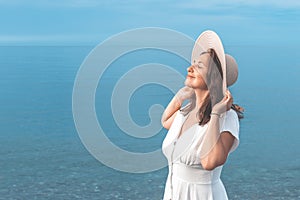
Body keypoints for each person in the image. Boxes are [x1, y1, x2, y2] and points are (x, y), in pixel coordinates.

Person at [161, 30, 244, 200]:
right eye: (193, 63)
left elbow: (209, 162)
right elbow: (166, 121)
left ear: (214, 78)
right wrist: (180, 97)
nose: (189, 68)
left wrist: (216, 113)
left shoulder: (227, 118)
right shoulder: (187, 112)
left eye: (199, 66)